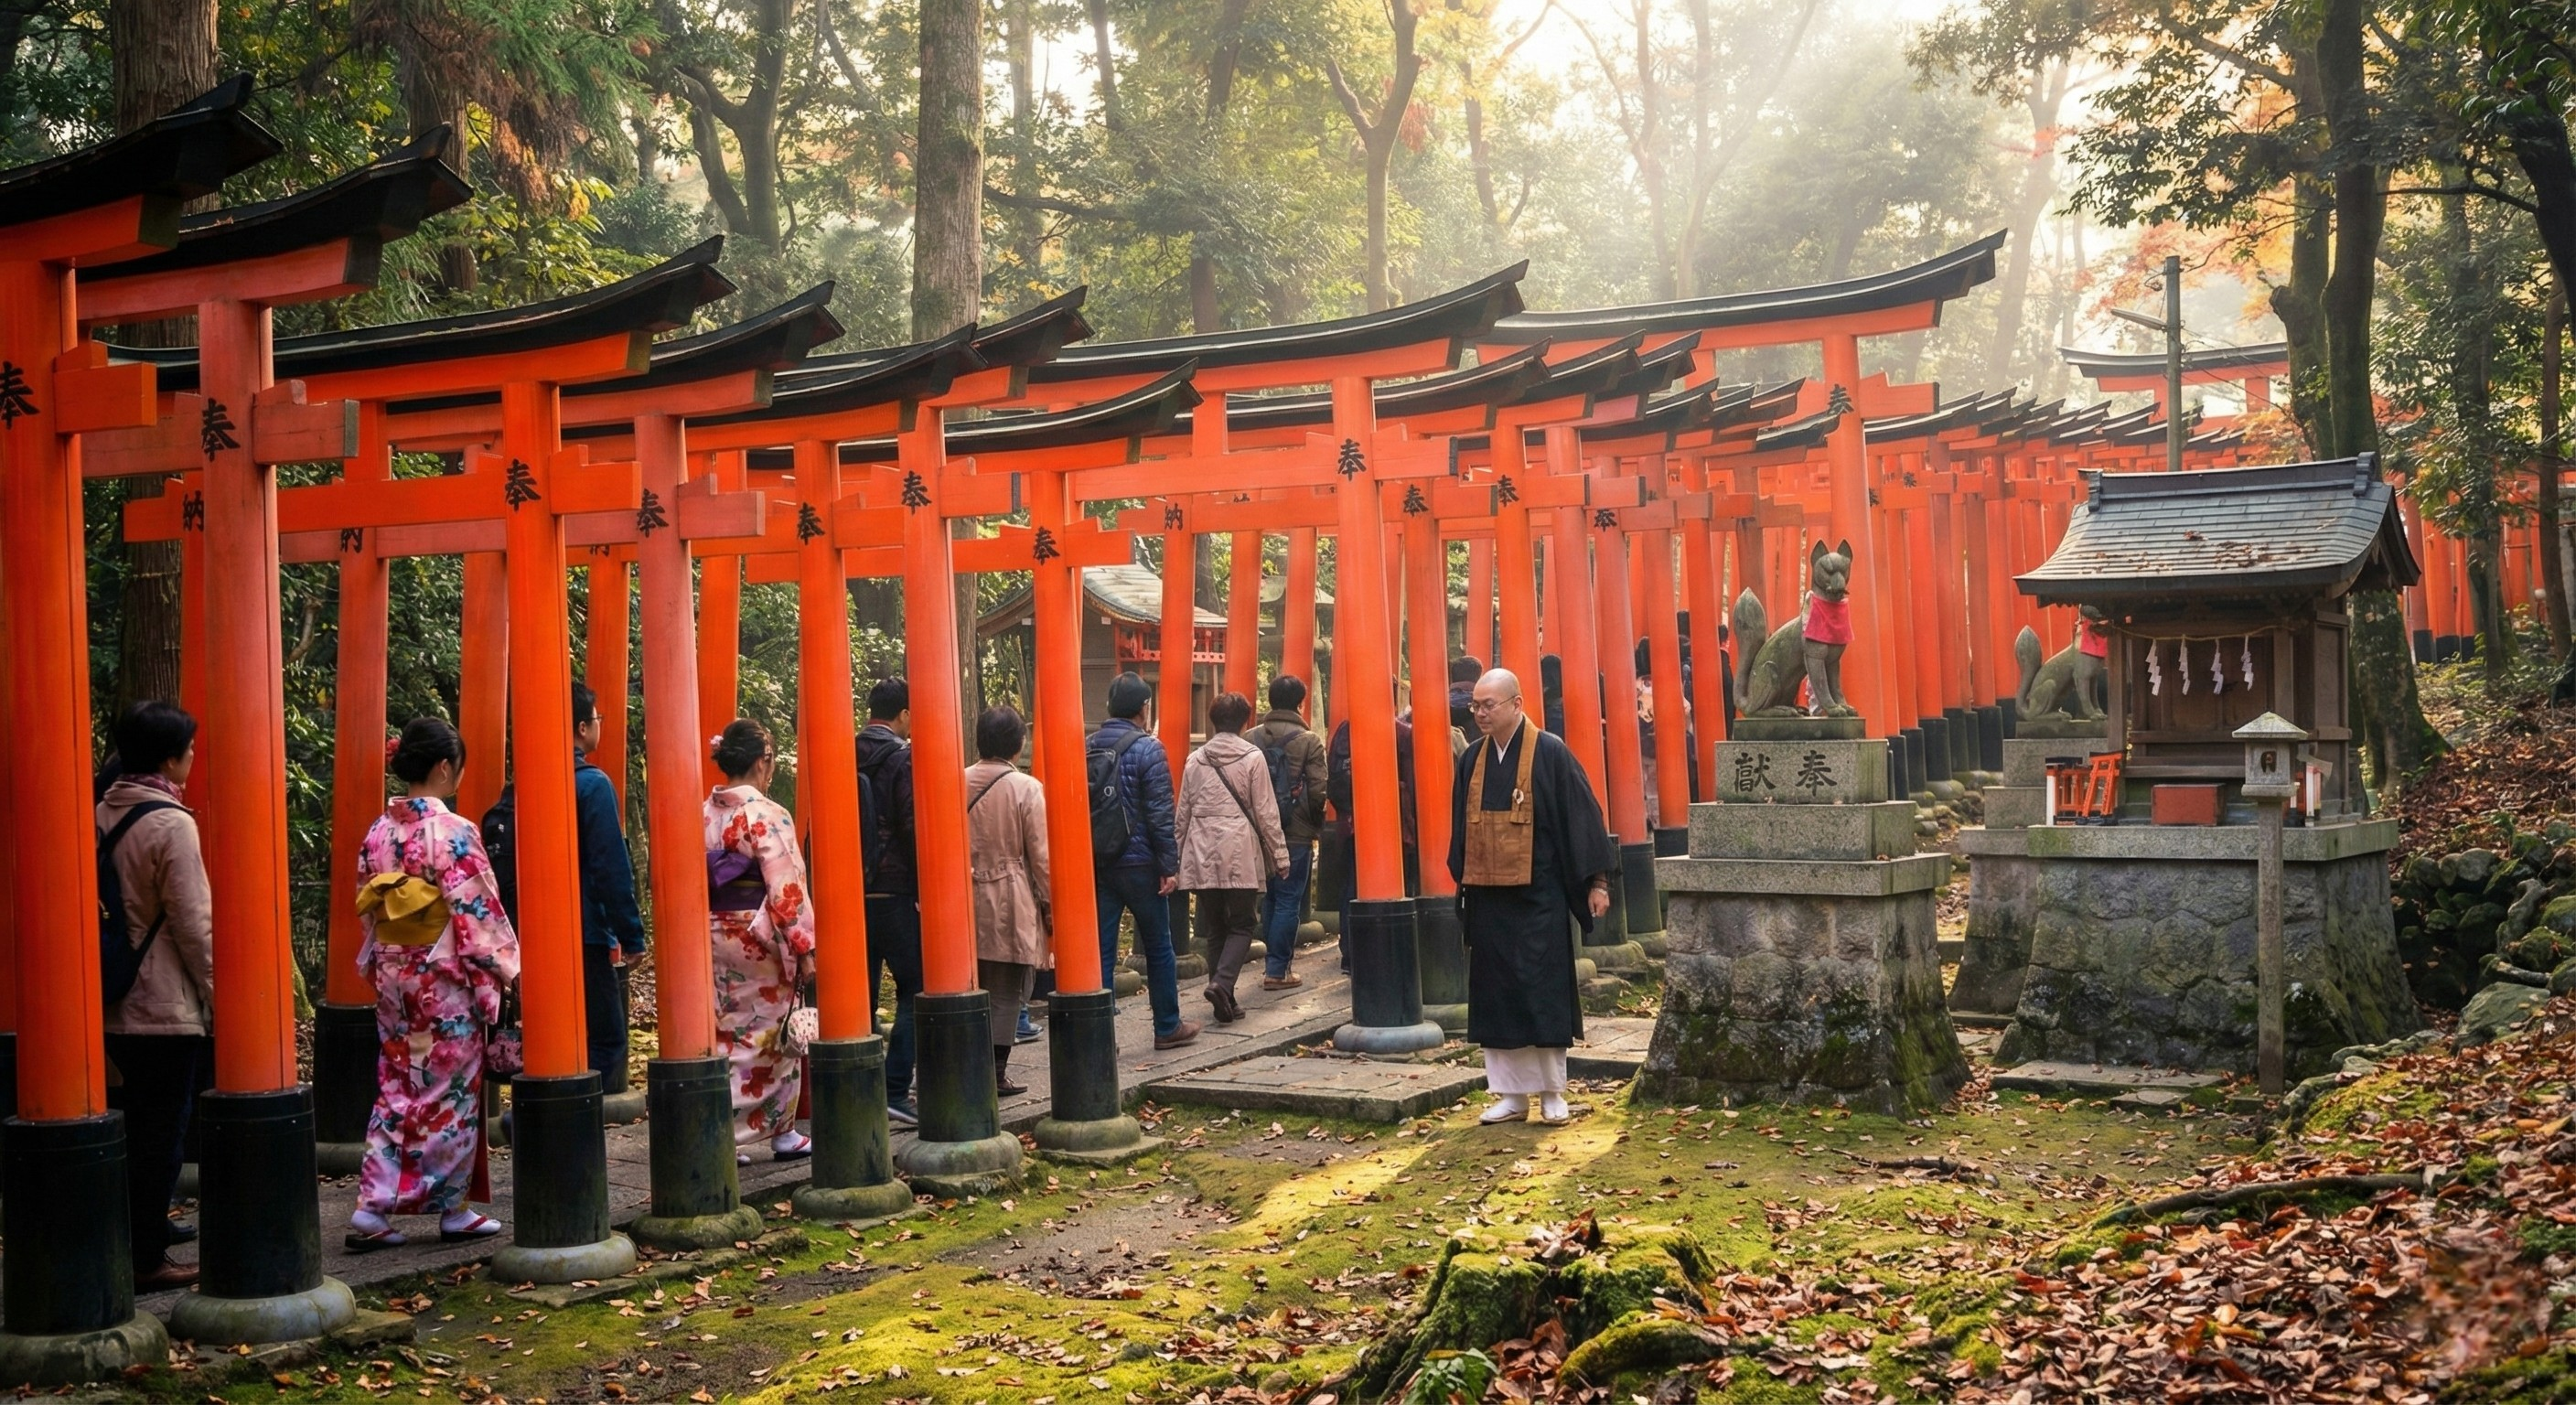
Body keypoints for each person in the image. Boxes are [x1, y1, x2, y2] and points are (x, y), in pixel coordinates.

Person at [347, 718, 521, 1251]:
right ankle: (451, 1208)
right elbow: (477, 911)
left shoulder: (379, 832)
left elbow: (369, 905)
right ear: (445, 768)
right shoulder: (452, 832)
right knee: (450, 1089)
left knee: (397, 1083)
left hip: (395, 972)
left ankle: (373, 1208)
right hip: (443, 977)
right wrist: (504, 970)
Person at [1449, 670, 1615, 1126]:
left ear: (1517, 704)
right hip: (1488, 897)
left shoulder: (1550, 752)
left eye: (1489, 705)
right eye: (1475, 706)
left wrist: (1597, 882)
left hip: (1539, 894)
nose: (1480, 713)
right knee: (1497, 996)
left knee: (1541, 992)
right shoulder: (1472, 760)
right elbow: (1460, 830)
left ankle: (1551, 1093)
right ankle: (1510, 1095)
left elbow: (1582, 817)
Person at [99, 702, 214, 1289]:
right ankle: (147, 1258)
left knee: (129, 1126)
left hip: (109, 995)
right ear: (170, 759)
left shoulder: (101, 810)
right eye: (190, 749)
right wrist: (219, 993)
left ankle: (139, 1234)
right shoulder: (171, 823)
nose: (193, 758)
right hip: (162, 1005)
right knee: (161, 1135)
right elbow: (194, 925)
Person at [704, 719, 817, 1164]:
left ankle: (736, 1128)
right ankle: (774, 1132)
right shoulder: (766, 814)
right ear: (760, 762)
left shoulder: (705, 812)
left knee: (727, 1032)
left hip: (714, 932)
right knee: (773, 1032)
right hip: (759, 937)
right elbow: (786, 887)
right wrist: (803, 945)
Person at [1089, 671, 1197, 1050]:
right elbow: (1160, 813)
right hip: (1141, 864)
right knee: (1158, 946)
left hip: (1101, 861)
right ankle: (1167, 1026)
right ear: (1143, 707)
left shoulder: (1088, 746)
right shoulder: (1149, 749)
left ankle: (1099, 1035)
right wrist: (1169, 866)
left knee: (1101, 949)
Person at [1178, 692, 1289, 1023]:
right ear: (1245, 721)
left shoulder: (1195, 760)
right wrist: (1280, 856)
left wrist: (1173, 858)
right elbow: (1266, 813)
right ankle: (1222, 983)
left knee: (1216, 928)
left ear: (1214, 721)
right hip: (1238, 848)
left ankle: (1225, 1001)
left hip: (1201, 849)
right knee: (1243, 924)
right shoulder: (1252, 758)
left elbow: (1182, 813)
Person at [964, 706, 1050, 1097]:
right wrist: (1051, 906)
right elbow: (1041, 856)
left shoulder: (958, 780)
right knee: (1006, 989)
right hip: (1009, 894)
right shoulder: (1026, 788)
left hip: (962, 894)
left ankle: (969, 1064)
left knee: (970, 983)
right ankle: (995, 1072)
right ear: (1018, 744)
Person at [854, 680, 924, 1126]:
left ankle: (855, 1085)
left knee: (855, 996)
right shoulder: (902, 757)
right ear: (902, 715)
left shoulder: (839, 749)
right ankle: (896, 1087)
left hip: (849, 893)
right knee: (914, 990)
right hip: (895, 891)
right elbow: (912, 825)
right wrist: (923, 888)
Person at [1248, 674, 1328, 990]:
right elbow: (1320, 789)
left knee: (1269, 897)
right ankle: (1278, 970)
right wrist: (1313, 824)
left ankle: (1273, 963)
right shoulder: (1309, 740)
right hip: (1294, 831)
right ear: (1300, 702)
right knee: (1288, 899)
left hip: (1258, 832)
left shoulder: (1250, 737)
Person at [1326, 710, 1420, 967]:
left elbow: (1333, 781)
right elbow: (1412, 784)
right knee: (1395, 888)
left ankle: (1350, 953)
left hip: (1351, 825)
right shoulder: (1402, 733)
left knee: (1352, 889)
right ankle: (1388, 952)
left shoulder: (1344, 732)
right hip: (1393, 826)